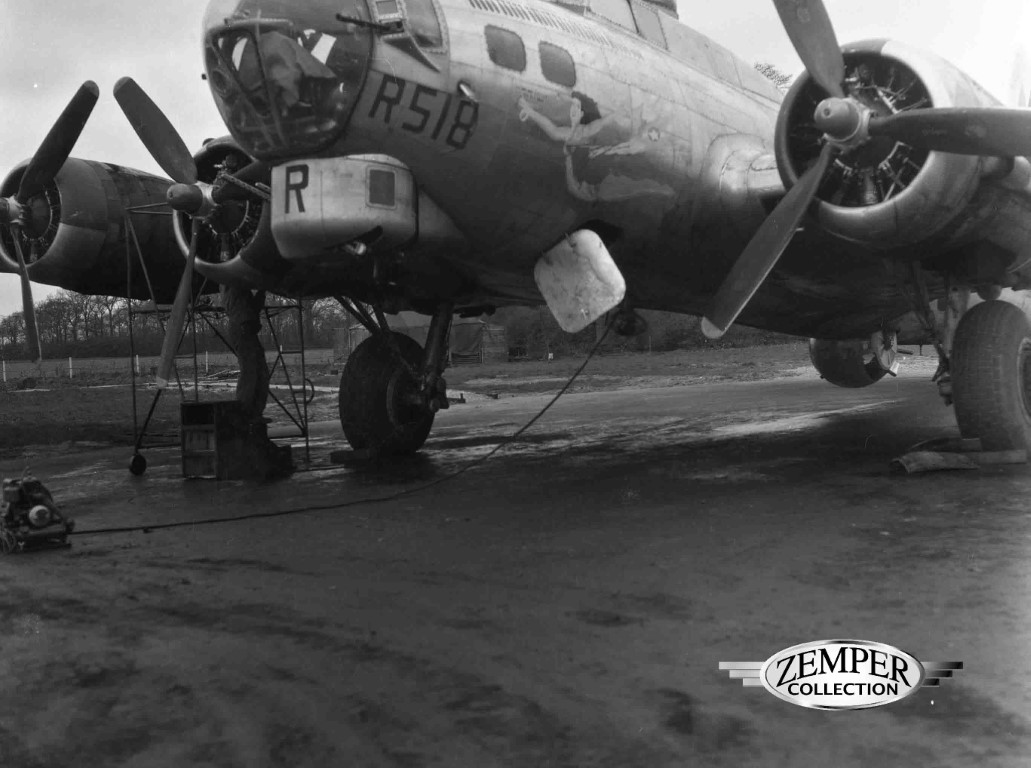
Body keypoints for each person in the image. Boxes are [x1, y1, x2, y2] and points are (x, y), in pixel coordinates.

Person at [518, 92, 677, 204]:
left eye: (576, 109)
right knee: (622, 153)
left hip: (588, 165)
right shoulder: (583, 140)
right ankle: (657, 184)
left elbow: (596, 128)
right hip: (588, 171)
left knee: (621, 152)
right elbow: (558, 133)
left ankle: (658, 184)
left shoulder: (583, 136)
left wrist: (529, 111)